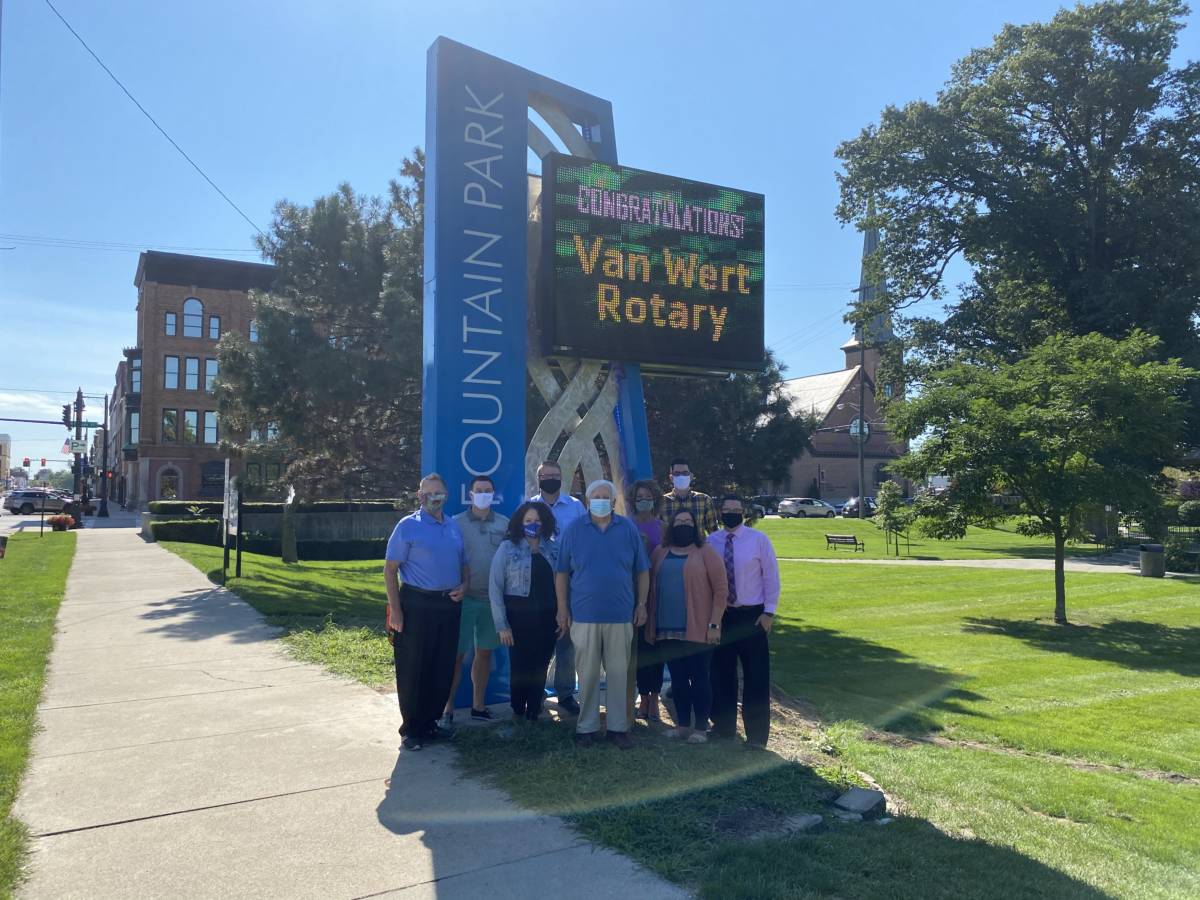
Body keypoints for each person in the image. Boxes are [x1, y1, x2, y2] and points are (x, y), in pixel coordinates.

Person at [554, 479, 649, 750]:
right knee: (587, 674)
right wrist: (562, 608)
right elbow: (561, 572)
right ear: (586, 501)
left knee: (619, 674)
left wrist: (641, 604)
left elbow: (642, 570)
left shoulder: (627, 528)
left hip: (621, 615)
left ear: (613, 500)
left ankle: (619, 728)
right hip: (583, 615)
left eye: (605, 496)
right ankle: (587, 727)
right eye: (595, 496)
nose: (600, 500)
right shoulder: (574, 530)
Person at [384, 474, 468, 752]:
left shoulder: (454, 526)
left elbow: (464, 564)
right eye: (428, 492)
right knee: (413, 667)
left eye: (439, 492)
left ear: (446, 495)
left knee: (441, 665)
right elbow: (390, 569)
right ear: (419, 496)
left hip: (448, 605)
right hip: (417, 604)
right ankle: (412, 729)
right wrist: (395, 610)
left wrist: (465, 584)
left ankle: (431, 723)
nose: (434, 496)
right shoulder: (407, 526)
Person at [645, 509, 727, 742]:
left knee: (700, 678)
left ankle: (700, 728)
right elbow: (650, 586)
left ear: (695, 526)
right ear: (671, 526)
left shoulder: (706, 552)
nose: (683, 525)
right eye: (679, 522)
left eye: (688, 522)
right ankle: (682, 725)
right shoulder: (659, 552)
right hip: (666, 629)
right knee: (678, 680)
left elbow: (721, 591)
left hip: (698, 629)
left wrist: (715, 624)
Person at [706, 494, 780, 749]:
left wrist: (768, 613)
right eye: (726, 509)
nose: (731, 513)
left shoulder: (759, 540)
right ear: (719, 512)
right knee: (721, 674)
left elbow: (771, 576)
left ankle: (757, 737)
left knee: (756, 677)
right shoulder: (711, 542)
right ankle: (724, 727)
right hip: (723, 616)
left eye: (736, 509)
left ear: (743, 512)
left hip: (752, 616)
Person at [442, 474, 509, 727]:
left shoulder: (504, 524)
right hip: (463, 600)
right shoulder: (455, 524)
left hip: (492, 601)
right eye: (479, 490)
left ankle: (478, 706)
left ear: (493, 494)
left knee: (484, 655)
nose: (483, 494)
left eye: (488, 490)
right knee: (456, 656)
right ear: (470, 495)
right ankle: (447, 709)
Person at [489, 501, 559, 722]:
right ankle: (518, 709)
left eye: (537, 520)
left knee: (541, 664)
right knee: (520, 665)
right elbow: (495, 586)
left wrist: (564, 614)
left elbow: (565, 583)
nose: (533, 524)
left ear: (545, 523)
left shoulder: (554, 548)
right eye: (528, 520)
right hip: (518, 619)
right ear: (520, 523)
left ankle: (534, 710)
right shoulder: (507, 547)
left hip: (548, 618)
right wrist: (502, 625)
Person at [529, 459, 586, 716]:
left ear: (562, 478)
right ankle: (536, 692)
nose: (550, 478)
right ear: (538, 478)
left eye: (555, 475)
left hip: (572, 581)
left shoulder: (576, 507)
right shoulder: (529, 506)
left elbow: (587, 538)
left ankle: (565, 693)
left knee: (567, 641)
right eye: (545, 475)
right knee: (540, 639)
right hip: (539, 583)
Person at [630, 479, 665, 722]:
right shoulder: (626, 526)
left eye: (647, 496)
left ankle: (655, 696)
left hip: (660, 595)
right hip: (633, 594)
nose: (643, 500)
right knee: (640, 649)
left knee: (658, 647)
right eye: (639, 496)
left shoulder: (664, 527)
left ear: (654, 499)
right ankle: (643, 697)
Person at [661, 457, 719, 538]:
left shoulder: (704, 500)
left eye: (685, 473)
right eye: (677, 473)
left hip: (699, 549)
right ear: (671, 477)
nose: (681, 476)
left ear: (691, 476)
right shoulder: (661, 502)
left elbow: (714, 533)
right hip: (671, 549)